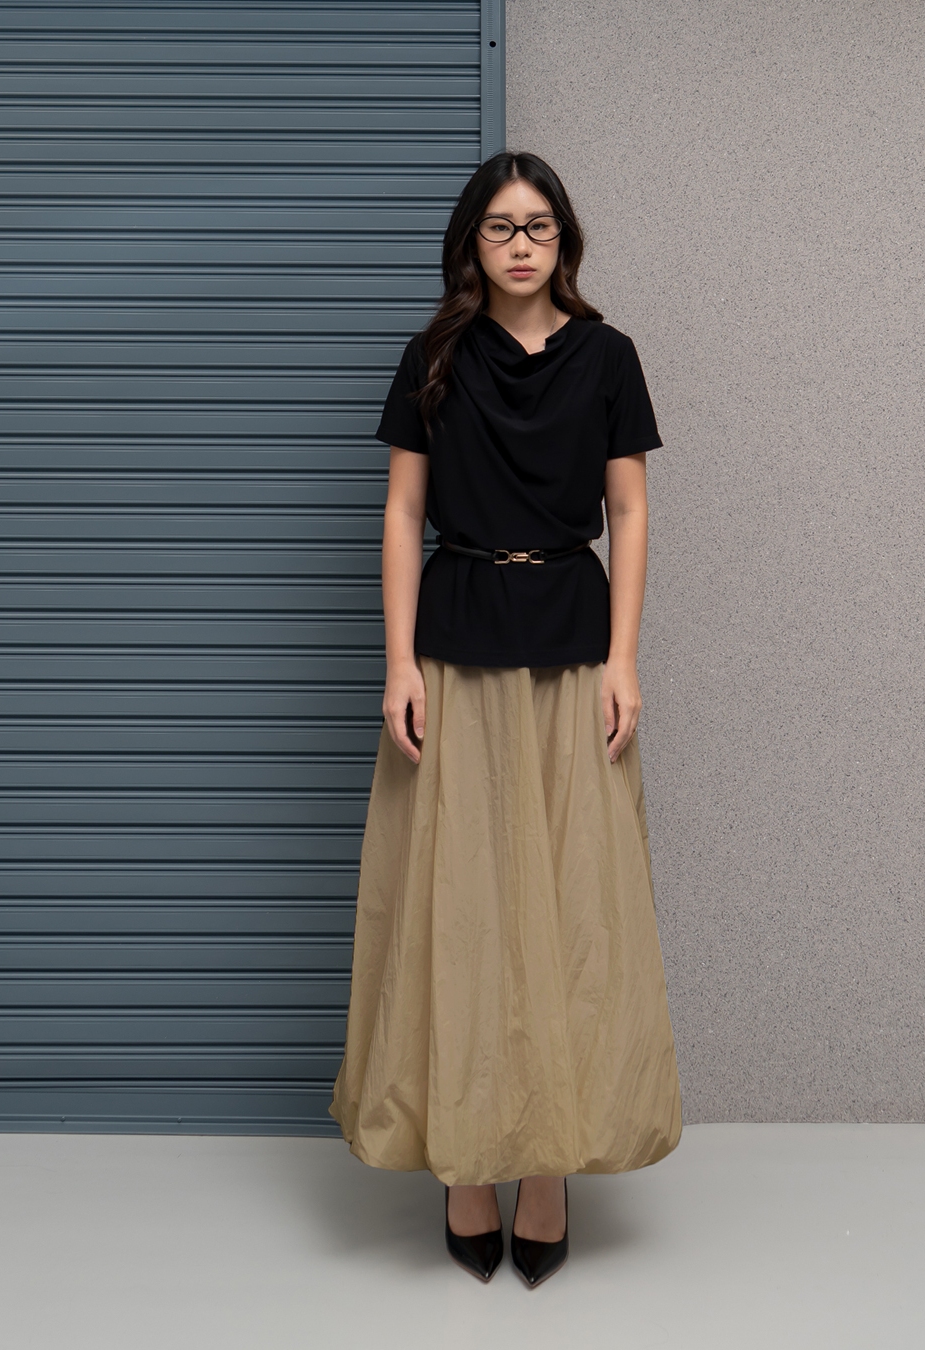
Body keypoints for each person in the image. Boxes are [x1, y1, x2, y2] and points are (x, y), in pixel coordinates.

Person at [329, 150, 682, 1288]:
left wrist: (624, 658)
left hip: (573, 641)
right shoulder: (435, 356)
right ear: (470, 244)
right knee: (460, 908)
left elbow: (629, 511)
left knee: (573, 909)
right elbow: (402, 511)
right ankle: (465, 1163)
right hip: (457, 637)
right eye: (498, 226)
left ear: (563, 239)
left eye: (537, 226)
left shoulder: (608, 357)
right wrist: (398, 663)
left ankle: (547, 1167)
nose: (520, 245)